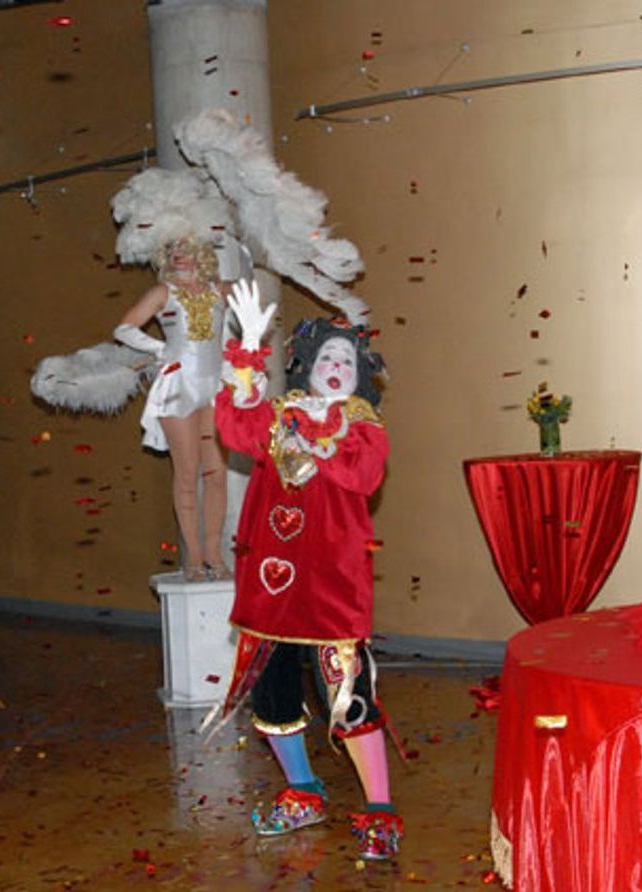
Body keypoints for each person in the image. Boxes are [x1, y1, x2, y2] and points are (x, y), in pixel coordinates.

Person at [213, 281, 403, 860]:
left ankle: (379, 808)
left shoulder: (365, 427)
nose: (337, 366)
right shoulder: (276, 417)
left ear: (360, 373)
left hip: (332, 592)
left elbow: (362, 477)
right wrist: (246, 348)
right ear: (307, 367)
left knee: (349, 697)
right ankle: (303, 790)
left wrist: (318, 441)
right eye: (327, 357)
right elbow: (232, 424)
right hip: (270, 594)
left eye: (347, 359)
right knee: (272, 697)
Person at [113, 237, 231, 581]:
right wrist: (161, 350)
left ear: (200, 250)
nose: (178, 255)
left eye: (184, 247)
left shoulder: (220, 289)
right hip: (178, 388)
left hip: (214, 387)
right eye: (171, 249)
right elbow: (124, 329)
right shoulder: (162, 292)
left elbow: (242, 328)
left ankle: (214, 554)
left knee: (217, 474)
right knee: (187, 472)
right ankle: (193, 558)